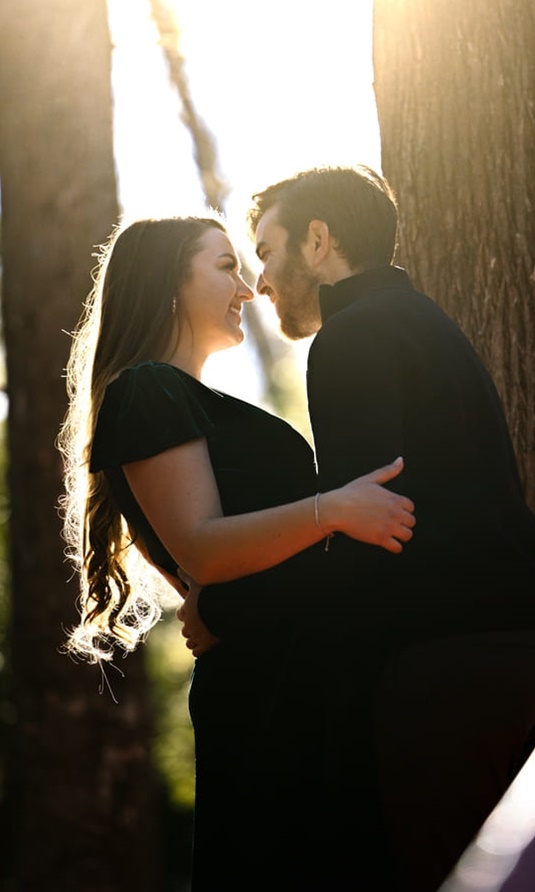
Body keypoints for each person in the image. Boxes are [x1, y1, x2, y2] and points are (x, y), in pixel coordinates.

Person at [192, 165, 535, 888]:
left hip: (450, 674)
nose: (263, 281)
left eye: (269, 252)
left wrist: (225, 609)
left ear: (317, 240)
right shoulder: (425, 324)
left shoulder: (354, 339)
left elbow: (364, 541)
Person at [58, 215, 418, 889]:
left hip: (301, 683)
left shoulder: (186, 399)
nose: (249, 288)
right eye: (225, 266)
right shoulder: (147, 388)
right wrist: (333, 509)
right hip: (268, 699)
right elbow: (200, 549)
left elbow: (211, 583)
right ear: (169, 281)